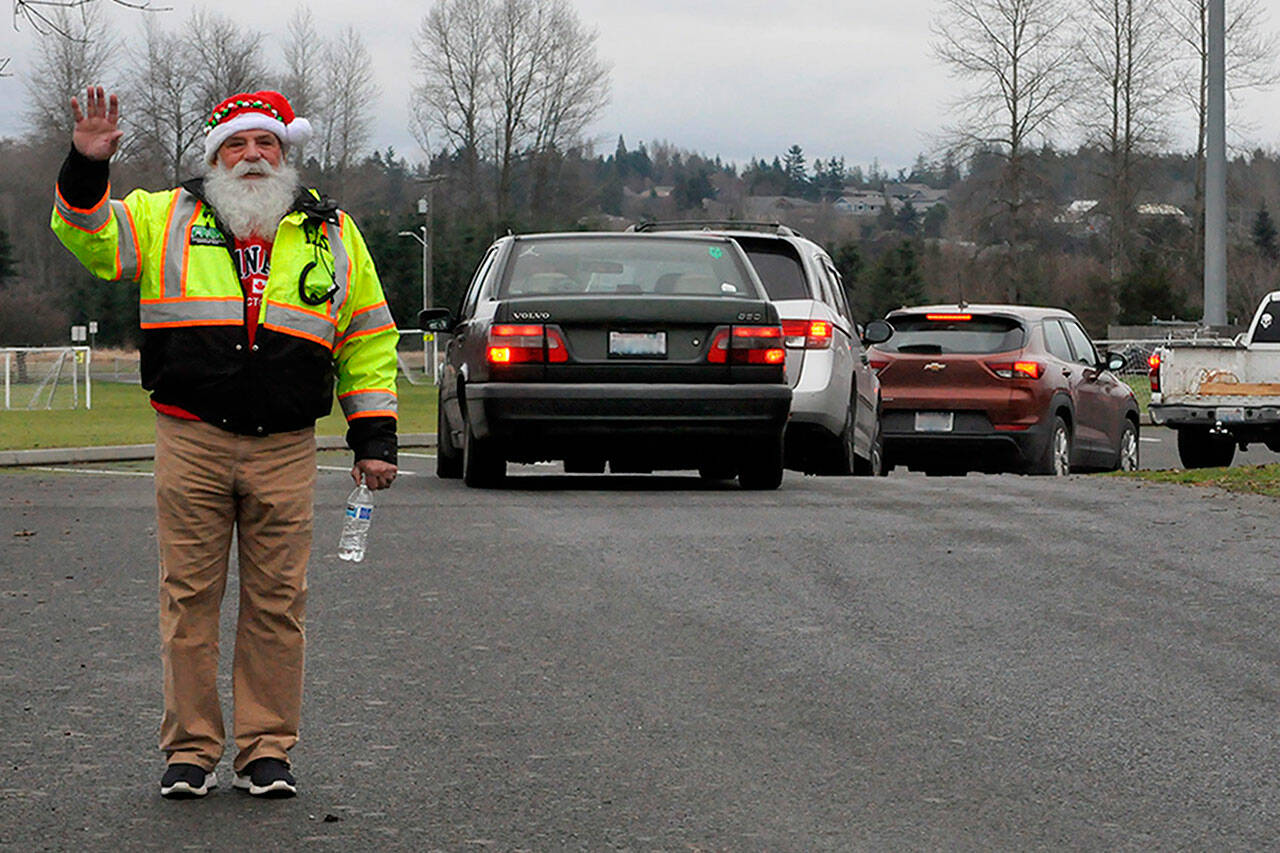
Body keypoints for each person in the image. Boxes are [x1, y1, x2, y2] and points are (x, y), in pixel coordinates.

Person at [51, 87, 400, 800]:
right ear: (212, 158)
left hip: (286, 445)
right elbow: (90, 238)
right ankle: (189, 751)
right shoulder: (162, 215)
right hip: (192, 436)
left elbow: (366, 335)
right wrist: (85, 165)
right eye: (235, 145)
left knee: (279, 601)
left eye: (264, 144)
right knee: (190, 599)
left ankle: (266, 750)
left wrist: (374, 435)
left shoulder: (332, 231)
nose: (251, 156)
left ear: (284, 154)